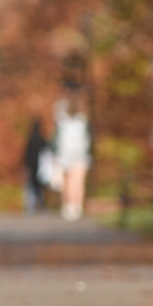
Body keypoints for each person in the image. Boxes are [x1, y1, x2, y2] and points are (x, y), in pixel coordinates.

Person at [54, 92, 92, 221]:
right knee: (77, 182)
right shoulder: (83, 119)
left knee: (68, 182)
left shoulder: (63, 120)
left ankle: (68, 205)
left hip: (66, 155)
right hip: (79, 155)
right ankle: (76, 206)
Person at [22, 117, 48, 213]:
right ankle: (40, 203)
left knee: (31, 186)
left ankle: (30, 205)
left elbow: (26, 154)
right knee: (40, 187)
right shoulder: (42, 140)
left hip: (31, 166)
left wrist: (26, 167)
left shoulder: (30, 139)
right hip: (40, 167)